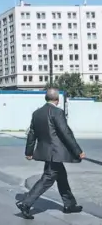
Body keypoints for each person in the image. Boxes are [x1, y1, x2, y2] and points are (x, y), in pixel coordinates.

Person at [16, 88, 85, 220]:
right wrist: (78, 151)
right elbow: (66, 133)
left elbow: (32, 134)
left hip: (47, 152)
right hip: (55, 152)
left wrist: (29, 152)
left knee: (62, 177)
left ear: (46, 98)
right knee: (48, 178)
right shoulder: (57, 112)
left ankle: (69, 204)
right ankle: (25, 203)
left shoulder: (37, 113)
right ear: (57, 100)